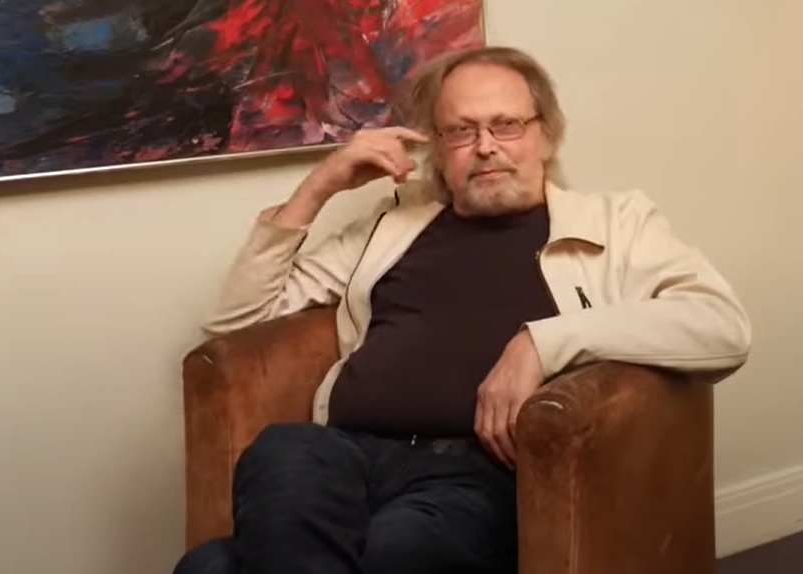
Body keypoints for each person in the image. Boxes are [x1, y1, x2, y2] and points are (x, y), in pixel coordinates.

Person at [173, 46, 751, 574]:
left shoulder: (615, 224)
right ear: (437, 148)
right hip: (343, 452)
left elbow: (721, 326)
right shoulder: (390, 224)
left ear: (547, 135)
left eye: (507, 125)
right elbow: (234, 323)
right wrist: (319, 187)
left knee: (222, 566)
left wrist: (542, 342)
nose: (486, 146)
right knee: (282, 447)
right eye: (461, 130)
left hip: (474, 477)